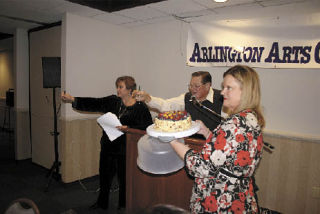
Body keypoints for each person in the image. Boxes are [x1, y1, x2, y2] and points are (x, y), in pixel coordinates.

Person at [170, 65, 265, 213]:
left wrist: (172, 140)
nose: (222, 92)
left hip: (221, 201)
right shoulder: (250, 118)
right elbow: (229, 152)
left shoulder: (234, 124)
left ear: (245, 91)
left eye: (229, 88)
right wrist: (208, 132)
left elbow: (200, 167)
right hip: (240, 196)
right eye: (223, 87)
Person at [61, 76, 153, 211]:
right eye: (117, 86)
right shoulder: (113, 101)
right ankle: (101, 203)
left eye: (121, 87)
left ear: (129, 89)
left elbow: (147, 126)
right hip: (108, 145)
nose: (118, 89)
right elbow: (95, 103)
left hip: (126, 148)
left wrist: (129, 128)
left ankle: (123, 204)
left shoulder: (140, 107)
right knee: (104, 175)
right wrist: (73, 99)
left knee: (124, 178)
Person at [133, 71, 224, 133]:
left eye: (196, 86)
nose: (192, 89)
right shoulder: (187, 97)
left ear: (208, 85)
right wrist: (148, 98)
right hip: (191, 143)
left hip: (214, 146)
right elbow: (166, 105)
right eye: (190, 86)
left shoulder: (222, 98)